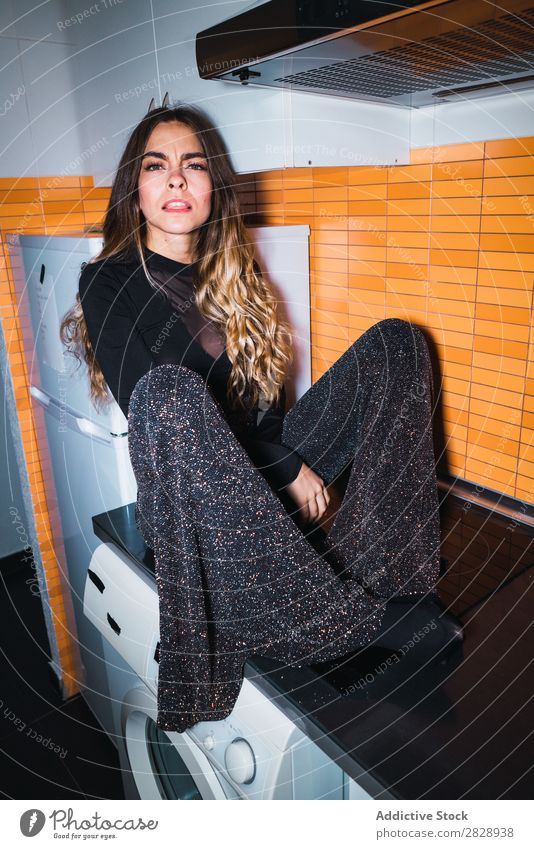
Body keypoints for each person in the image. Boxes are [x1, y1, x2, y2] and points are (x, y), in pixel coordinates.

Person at [60, 101, 463, 733]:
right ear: (133, 189)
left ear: (212, 187)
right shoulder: (108, 281)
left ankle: (392, 577)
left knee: (396, 341)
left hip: (265, 471)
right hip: (200, 496)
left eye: (193, 165)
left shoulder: (234, 270)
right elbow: (156, 405)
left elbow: (266, 411)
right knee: (168, 392)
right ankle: (337, 628)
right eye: (156, 165)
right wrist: (288, 467)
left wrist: (287, 462)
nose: (175, 178)